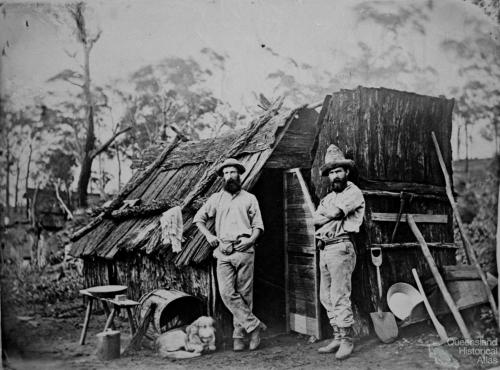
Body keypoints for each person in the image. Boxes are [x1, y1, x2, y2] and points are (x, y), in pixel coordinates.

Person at [194, 158, 266, 352]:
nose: (229, 176)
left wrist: (250, 240)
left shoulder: (250, 198)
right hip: (223, 251)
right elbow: (198, 219)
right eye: (226, 173)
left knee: (244, 294)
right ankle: (255, 326)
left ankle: (239, 336)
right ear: (222, 177)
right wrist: (209, 236)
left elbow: (258, 226)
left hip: (244, 249)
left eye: (233, 172)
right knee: (226, 293)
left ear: (239, 175)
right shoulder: (216, 199)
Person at [313, 144, 365, 360]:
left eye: (338, 171)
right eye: (331, 172)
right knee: (325, 295)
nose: (335, 175)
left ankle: (347, 339)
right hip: (324, 248)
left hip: (341, 247)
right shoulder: (327, 198)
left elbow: (335, 214)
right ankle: (336, 335)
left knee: (339, 294)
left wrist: (329, 216)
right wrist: (327, 216)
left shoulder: (353, 192)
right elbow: (315, 220)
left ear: (347, 172)